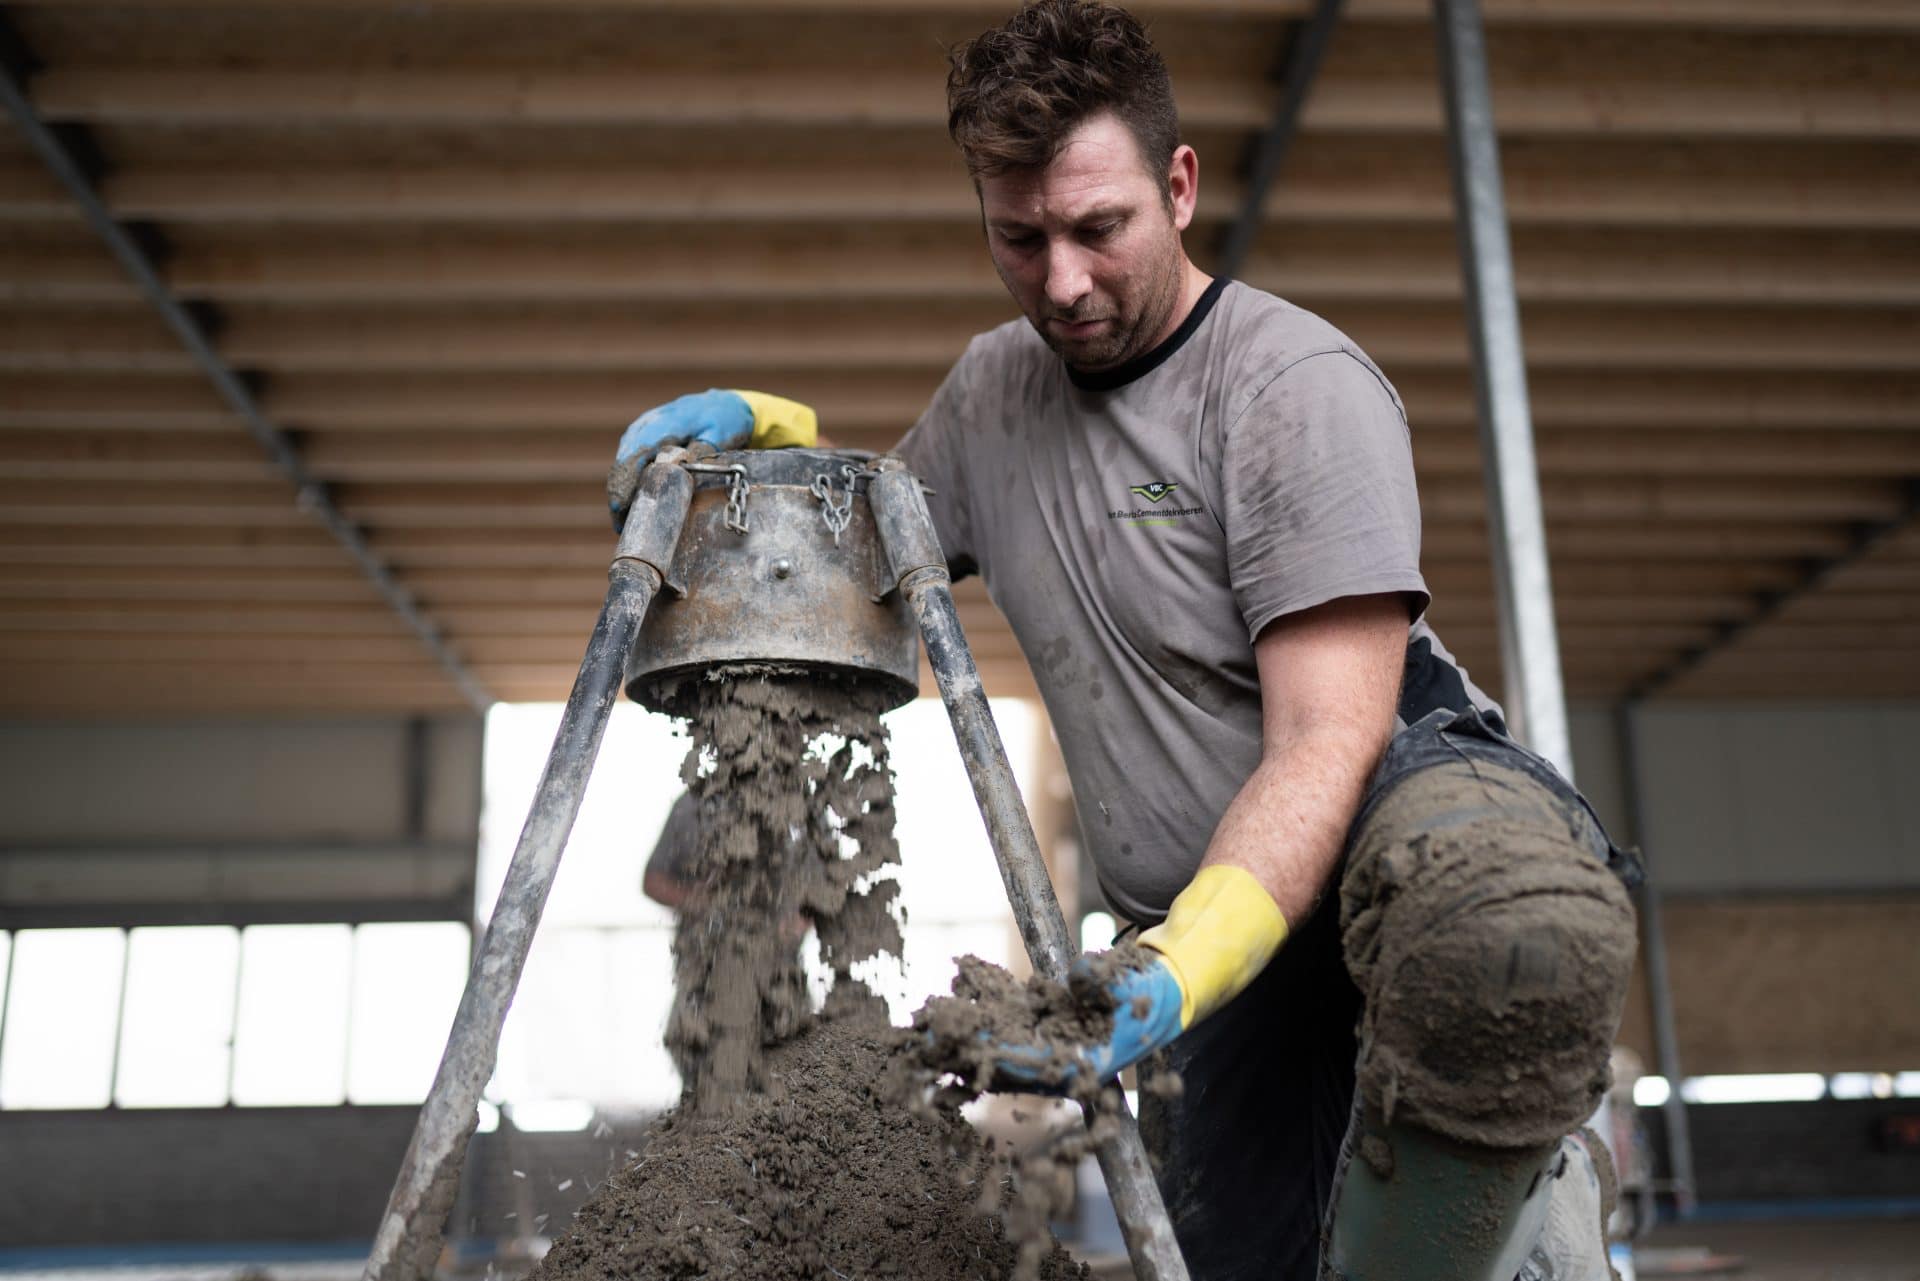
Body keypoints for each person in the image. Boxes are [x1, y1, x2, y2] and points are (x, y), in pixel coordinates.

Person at [608, 4, 1639, 1278]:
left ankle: (1536, 1197)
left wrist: (1163, 972)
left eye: (1100, 229)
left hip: (1383, 823)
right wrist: (772, 437)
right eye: (1019, 237)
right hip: (1207, 950)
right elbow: (869, 554)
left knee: (1502, 932)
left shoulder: (1287, 387)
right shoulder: (994, 394)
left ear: (1180, 186)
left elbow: (1326, 747)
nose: (1063, 281)